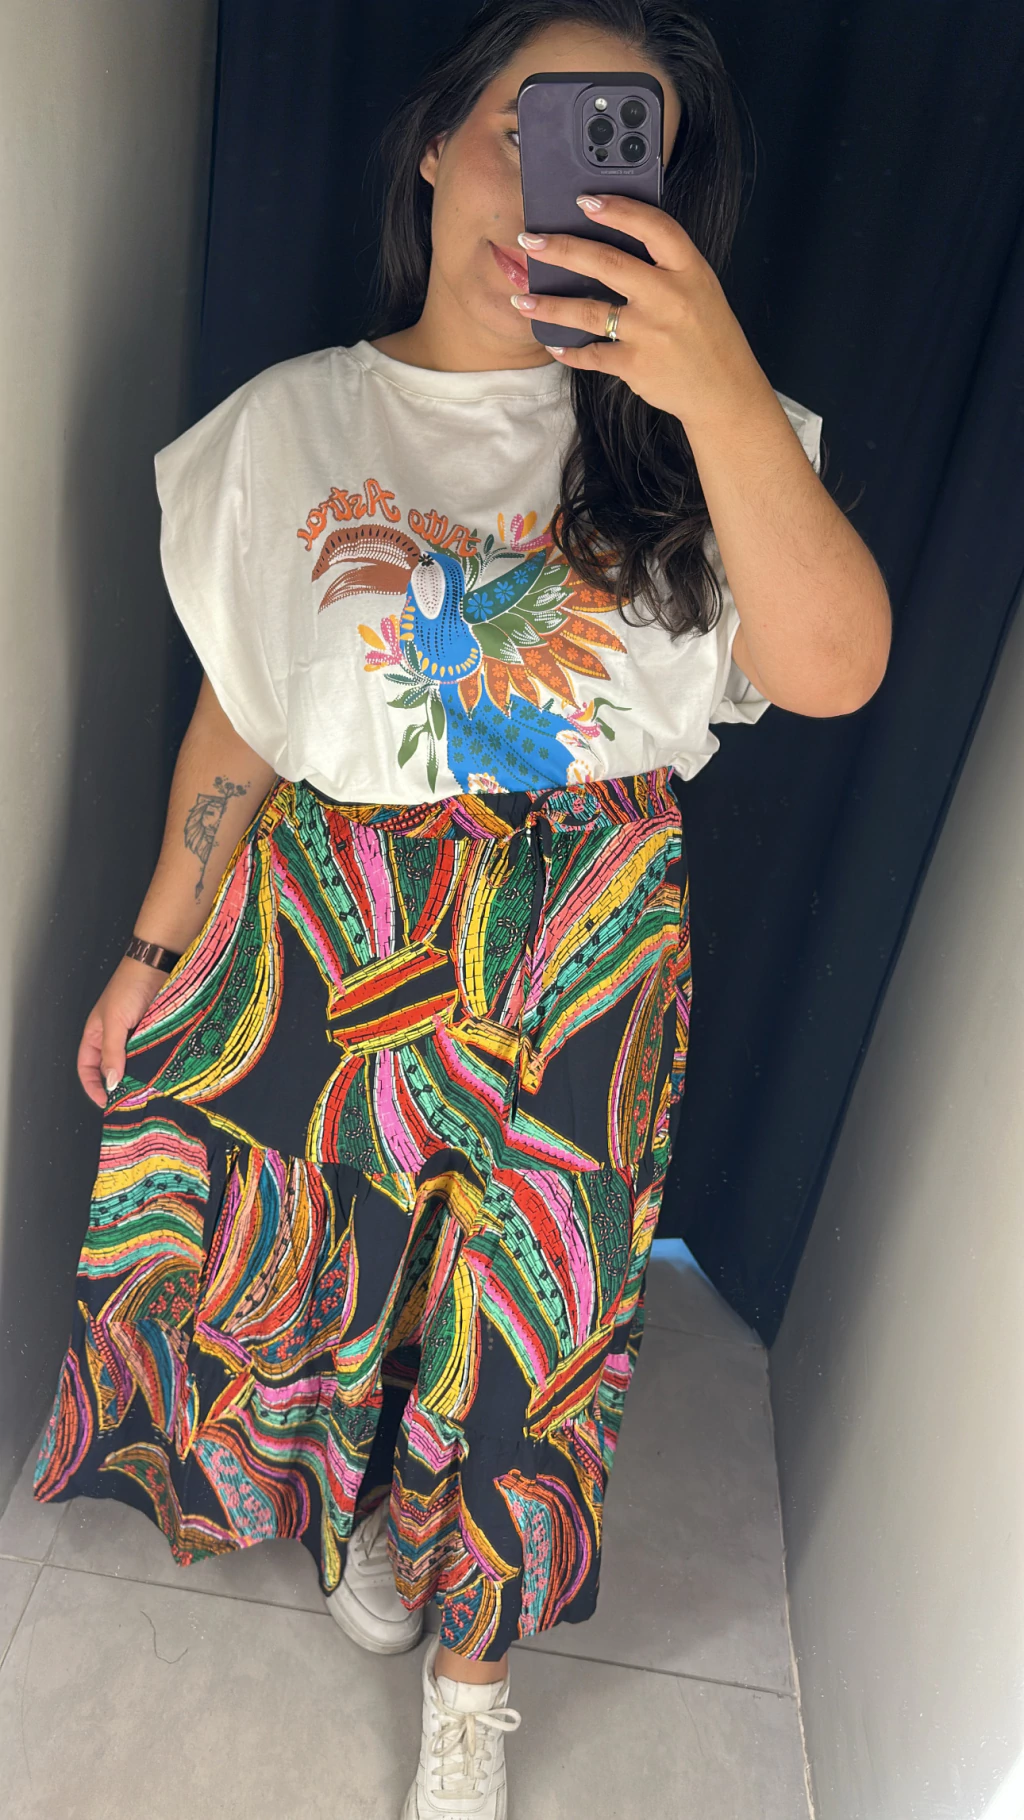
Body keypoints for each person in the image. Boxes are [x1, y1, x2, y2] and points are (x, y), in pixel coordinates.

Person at [30, 3, 890, 1815]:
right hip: (335, 905)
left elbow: (835, 668)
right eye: (529, 125)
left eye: (625, 155)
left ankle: (474, 1678)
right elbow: (246, 711)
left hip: (588, 928)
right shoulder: (288, 427)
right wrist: (151, 946)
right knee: (332, 1257)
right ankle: (367, 1518)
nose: (562, 187)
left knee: (541, 1307)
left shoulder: (703, 439)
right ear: (435, 142)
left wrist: (717, 383)